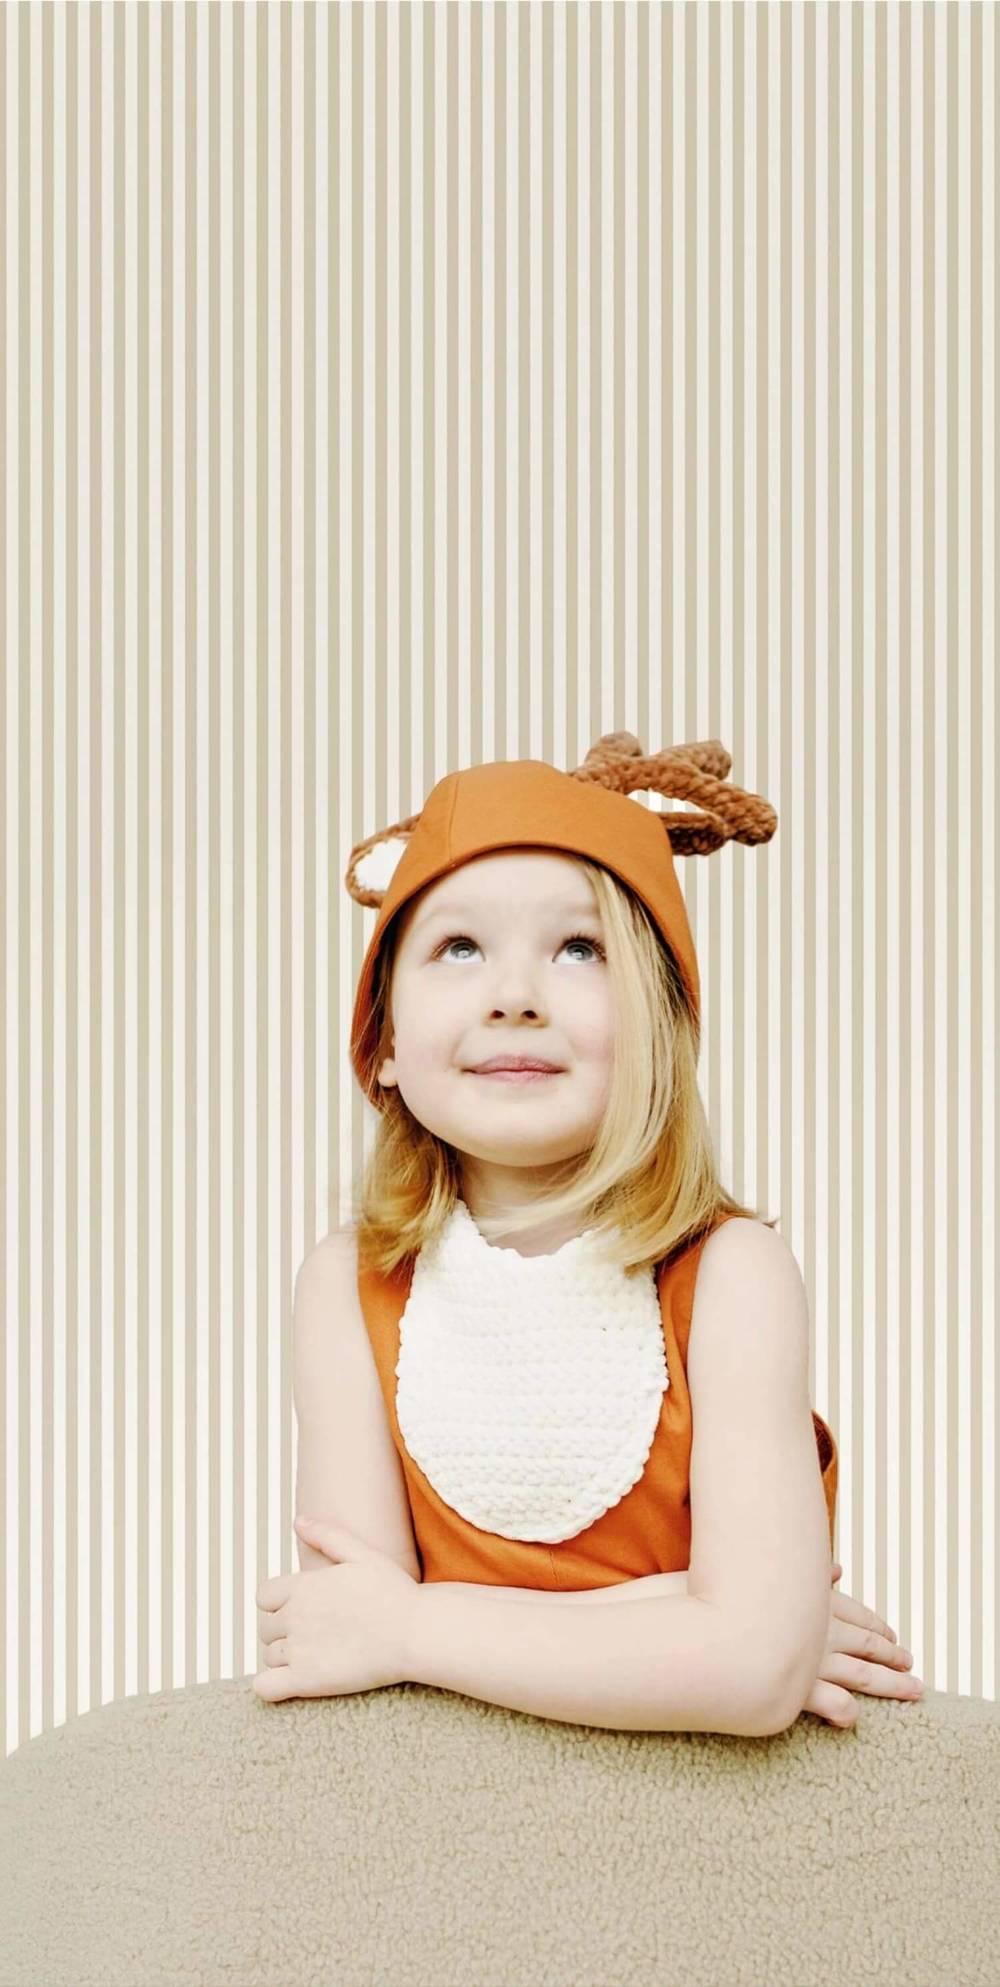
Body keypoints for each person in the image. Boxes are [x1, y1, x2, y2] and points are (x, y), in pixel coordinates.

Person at [259, 732, 923, 1729]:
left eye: (579, 948)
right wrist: (693, 1612)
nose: (514, 996)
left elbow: (751, 1677)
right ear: (385, 1036)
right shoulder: (346, 1285)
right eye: (459, 947)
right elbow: (347, 1636)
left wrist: (412, 1624)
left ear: (660, 1021)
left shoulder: (733, 1275)